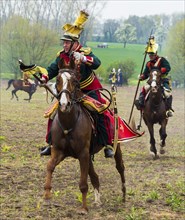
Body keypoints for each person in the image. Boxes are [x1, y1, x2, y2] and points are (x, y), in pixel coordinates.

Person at [21, 10, 114, 158]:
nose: (64, 45)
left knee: (101, 112)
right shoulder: (62, 55)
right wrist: (44, 78)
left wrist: (83, 58)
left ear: (75, 43)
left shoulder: (85, 52)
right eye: (64, 42)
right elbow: (52, 69)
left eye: (67, 42)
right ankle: (50, 143)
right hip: (69, 91)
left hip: (89, 89)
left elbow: (97, 63)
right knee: (52, 113)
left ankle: (107, 144)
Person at [135, 37, 173, 117]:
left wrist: (159, 72)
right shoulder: (148, 63)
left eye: (152, 54)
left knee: (167, 93)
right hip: (151, 81)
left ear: (155, 53)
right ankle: (141, 105)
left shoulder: (162, 60)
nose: (150, 56)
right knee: (144, 90)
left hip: (162, 80)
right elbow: (145, 74)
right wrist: (141, 77)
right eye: (149, 54)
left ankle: (168, 110)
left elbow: (168, 67)